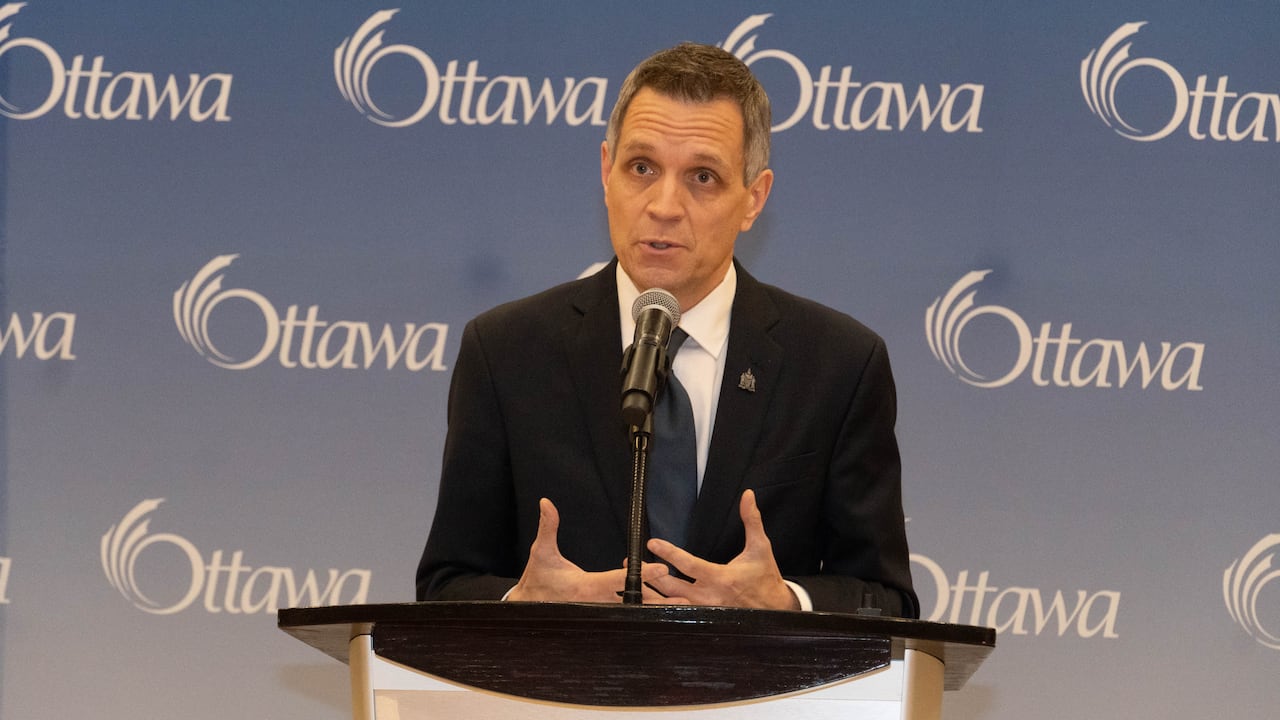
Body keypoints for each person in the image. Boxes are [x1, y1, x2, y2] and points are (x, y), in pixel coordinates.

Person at [416, 42, 918, 617]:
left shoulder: (838, 365)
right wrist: (523, 601)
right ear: (606, 172)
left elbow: (888, 600)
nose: (664, 204)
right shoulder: (506, 353)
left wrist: (784, 601)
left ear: (753, 199)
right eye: (642, 168)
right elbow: (445, 587)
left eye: (702, 176)